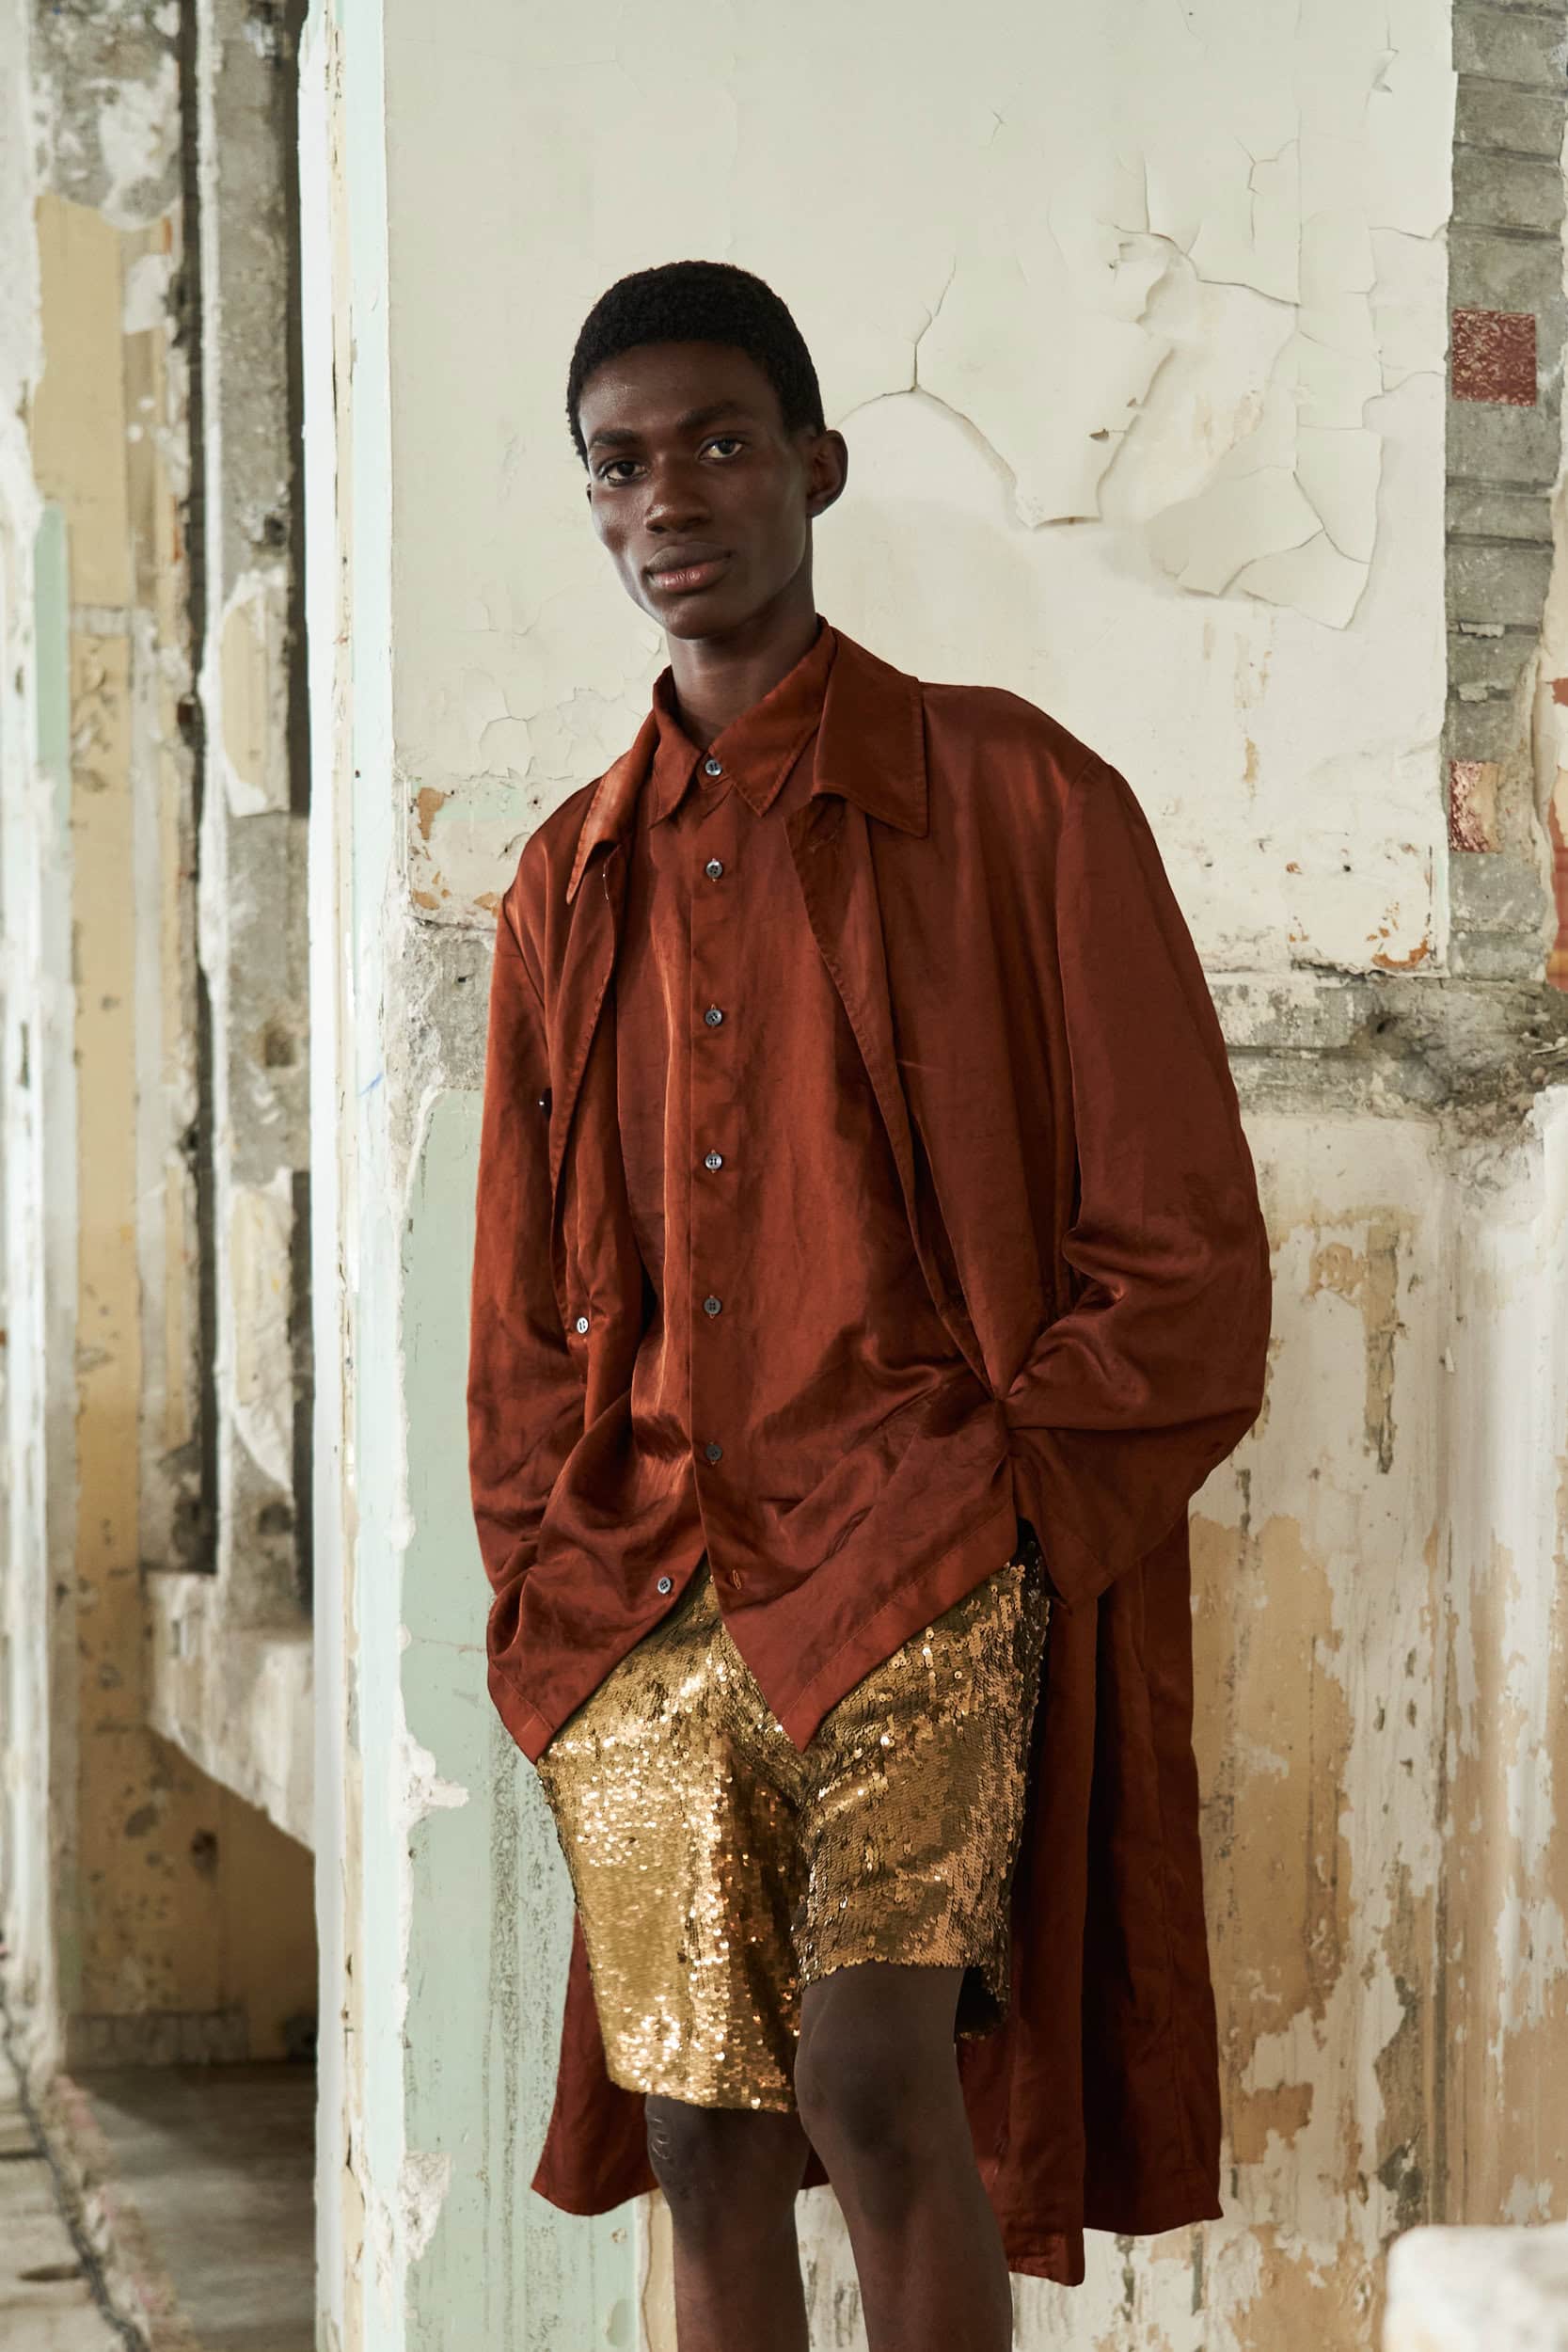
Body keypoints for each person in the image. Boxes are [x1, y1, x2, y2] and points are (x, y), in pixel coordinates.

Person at [467, 259, 1273, 2352]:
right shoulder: (567, 878)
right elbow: (522, 1308)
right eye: (619, 465)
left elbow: (1183, 1245)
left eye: (720, 444)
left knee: (877, 2085)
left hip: (922, 1554)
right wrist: (545, 1583)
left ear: (816, 467)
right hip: (646, 1585)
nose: (669, 500)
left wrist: (1007, 1507)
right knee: (704, 2135)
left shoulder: (1019, 797)